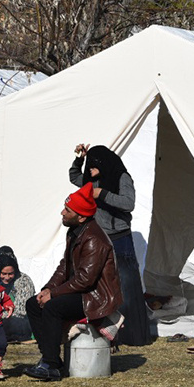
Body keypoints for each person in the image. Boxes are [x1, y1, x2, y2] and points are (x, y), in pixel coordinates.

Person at [25, 183, 123, 381]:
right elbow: (65, 266)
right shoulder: (76, 231)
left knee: (53, 307)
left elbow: (85, 280)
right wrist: (47, 289)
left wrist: (54, 294)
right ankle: (49, 358)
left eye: (67, 210)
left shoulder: (94, 239)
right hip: (82, 291)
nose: (62, 212)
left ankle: (51, 366)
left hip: (96, 297)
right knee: (33, 304)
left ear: (81, 216)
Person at [70, 143, 149, 346]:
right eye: (89, 164)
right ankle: (110, 333)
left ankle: (133, 334)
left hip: (119, 237)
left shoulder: (122, 177)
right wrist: (80, 158)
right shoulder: (92, 179)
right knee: (104, 285)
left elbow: (128, 203)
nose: (90, 168)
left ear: (104, 163)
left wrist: (102, 194)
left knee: (126, 283)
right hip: (100, 237)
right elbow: (74, 177)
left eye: (94, 164)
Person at [0, 245, 35, 342]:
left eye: (10, 274)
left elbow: (21, 311)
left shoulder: (24, 281)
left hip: (19, 322)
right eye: (3, 274)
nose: (7, 277)